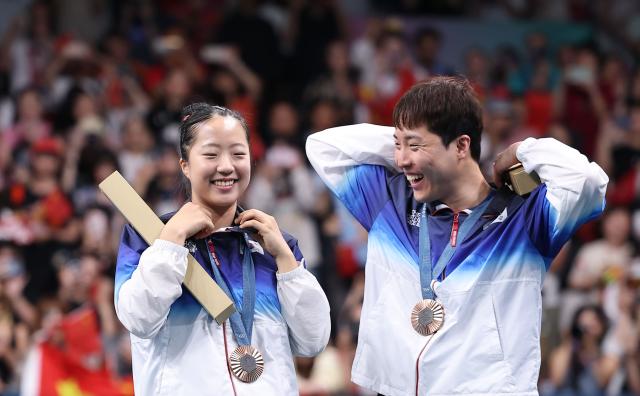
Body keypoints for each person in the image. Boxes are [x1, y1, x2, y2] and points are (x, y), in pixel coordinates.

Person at [305, 76, 608, 395]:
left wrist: (519, 152)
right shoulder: (389, 201)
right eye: (398, 146)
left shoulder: (525, 219)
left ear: (462, 145)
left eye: (415, 145)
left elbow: (587, 181)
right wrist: (411, 139)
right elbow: (323, 147)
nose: (401, 160)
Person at [115, 103, 331, 395]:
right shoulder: (148, 236)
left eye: (239, 154)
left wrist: (286, 260)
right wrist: (172, 239)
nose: (227, 166)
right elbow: (138, 318)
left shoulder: (273, 244)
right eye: (211, 154)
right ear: (185, 165)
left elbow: (313, 340)